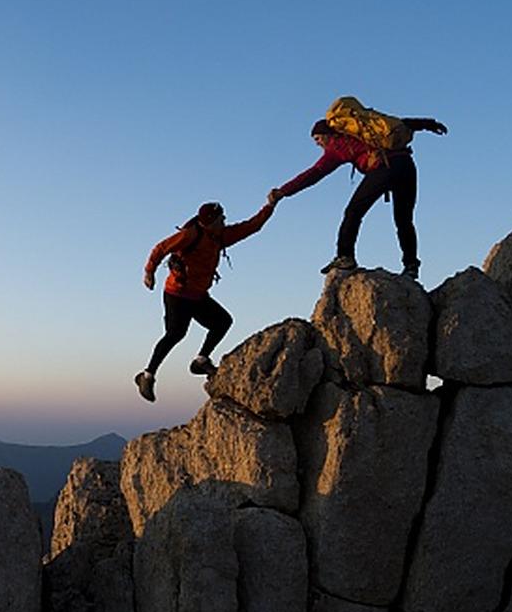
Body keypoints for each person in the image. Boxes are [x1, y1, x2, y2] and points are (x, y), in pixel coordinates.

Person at [268, 112, 447, 279]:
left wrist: (283, 191)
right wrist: (430, 124)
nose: (317, 143)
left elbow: (314, 173)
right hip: (406, 165)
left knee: (353, 212)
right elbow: (402, 124)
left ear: (328, 135)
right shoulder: (362, 131)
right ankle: (411, 266)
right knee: (404, 220)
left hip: (384, 168)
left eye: (318, 139)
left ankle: (345, 257)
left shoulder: (336, 146)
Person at [136, 196, 276, 402]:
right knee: (175, 333)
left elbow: (251, 227)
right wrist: (149, 272)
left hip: (198, 295)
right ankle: (147, 376)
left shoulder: (220, 236)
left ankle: (200, 361)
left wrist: (270, 206)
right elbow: (160, 248)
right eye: (221, 219)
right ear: (209, 221)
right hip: (177, 294)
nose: (224, 222)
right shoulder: (190, 234)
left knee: (222, 322)